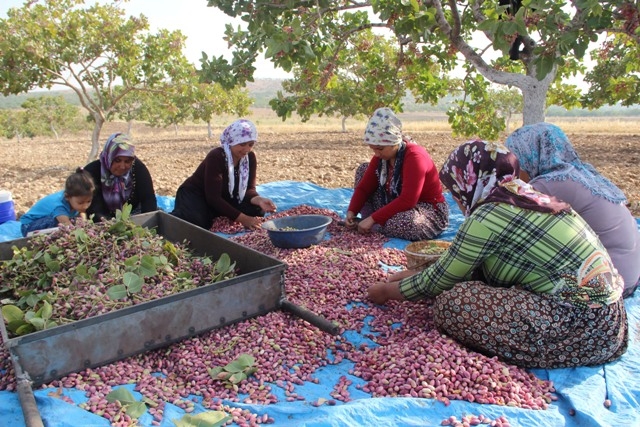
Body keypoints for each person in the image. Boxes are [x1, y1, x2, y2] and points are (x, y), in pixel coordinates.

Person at [367, 139, 628, 369]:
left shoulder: (489, 214)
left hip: (583, 329)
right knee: (464, 286)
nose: (456, 200)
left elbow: (441, 280)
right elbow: (468, 264)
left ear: (469, 182)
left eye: (455, 191)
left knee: (453, 303)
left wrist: (387, 292)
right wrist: (412, 275)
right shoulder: (528, 196)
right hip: (613, 320)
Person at [505, 122, 640, 298]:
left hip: (608, 288)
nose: (512, 169)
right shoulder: (581, 173)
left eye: (514, 160)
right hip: (629, 277)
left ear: (529, 156)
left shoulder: (549, 184)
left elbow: (506, 224)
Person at [345, 107, 449, 241]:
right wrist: (351, 211)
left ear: (393, 143)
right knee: (363, 169)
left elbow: (408, 200)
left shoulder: (415, 157)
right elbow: (364, 188)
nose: (376, 154)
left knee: (408, 223)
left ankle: (370, 224)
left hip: (425, 210)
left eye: (380, 149)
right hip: (393, 201)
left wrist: (373, 219)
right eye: (373, 149)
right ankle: (368, 221)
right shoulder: (381, 157)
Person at [171, 119, 277, 230]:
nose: (247, 149)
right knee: (199, 221)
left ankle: (217, 212)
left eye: (251, 144)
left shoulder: (249, 158)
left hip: (225, 195)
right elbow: (213, 197)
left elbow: (249, 189)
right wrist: (243, 219)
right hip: (197, 194)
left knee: (257, 210)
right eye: (242, 144)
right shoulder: (217, 156)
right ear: (232, 142)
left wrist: (259, 199)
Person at [84, 132, 157, 222]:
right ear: (109, 157)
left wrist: (147, 223)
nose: (122, 166)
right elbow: (92, 209)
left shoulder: (138, 168)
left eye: (127, 161)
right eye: (117, 160)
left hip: (133, 217)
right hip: (100, 221)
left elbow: (148, 199)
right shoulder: (91, 172)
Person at [20, 168, 94, 236]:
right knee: (60, 224)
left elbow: (82, 214)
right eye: (80, 203)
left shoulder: (74, 199)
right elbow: (67, 226)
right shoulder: (59, 207)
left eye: (88, 201)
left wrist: (84, 224)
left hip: (47, 220)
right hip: (28, 227)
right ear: (67, 197)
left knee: (76, 222)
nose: (85, 206)